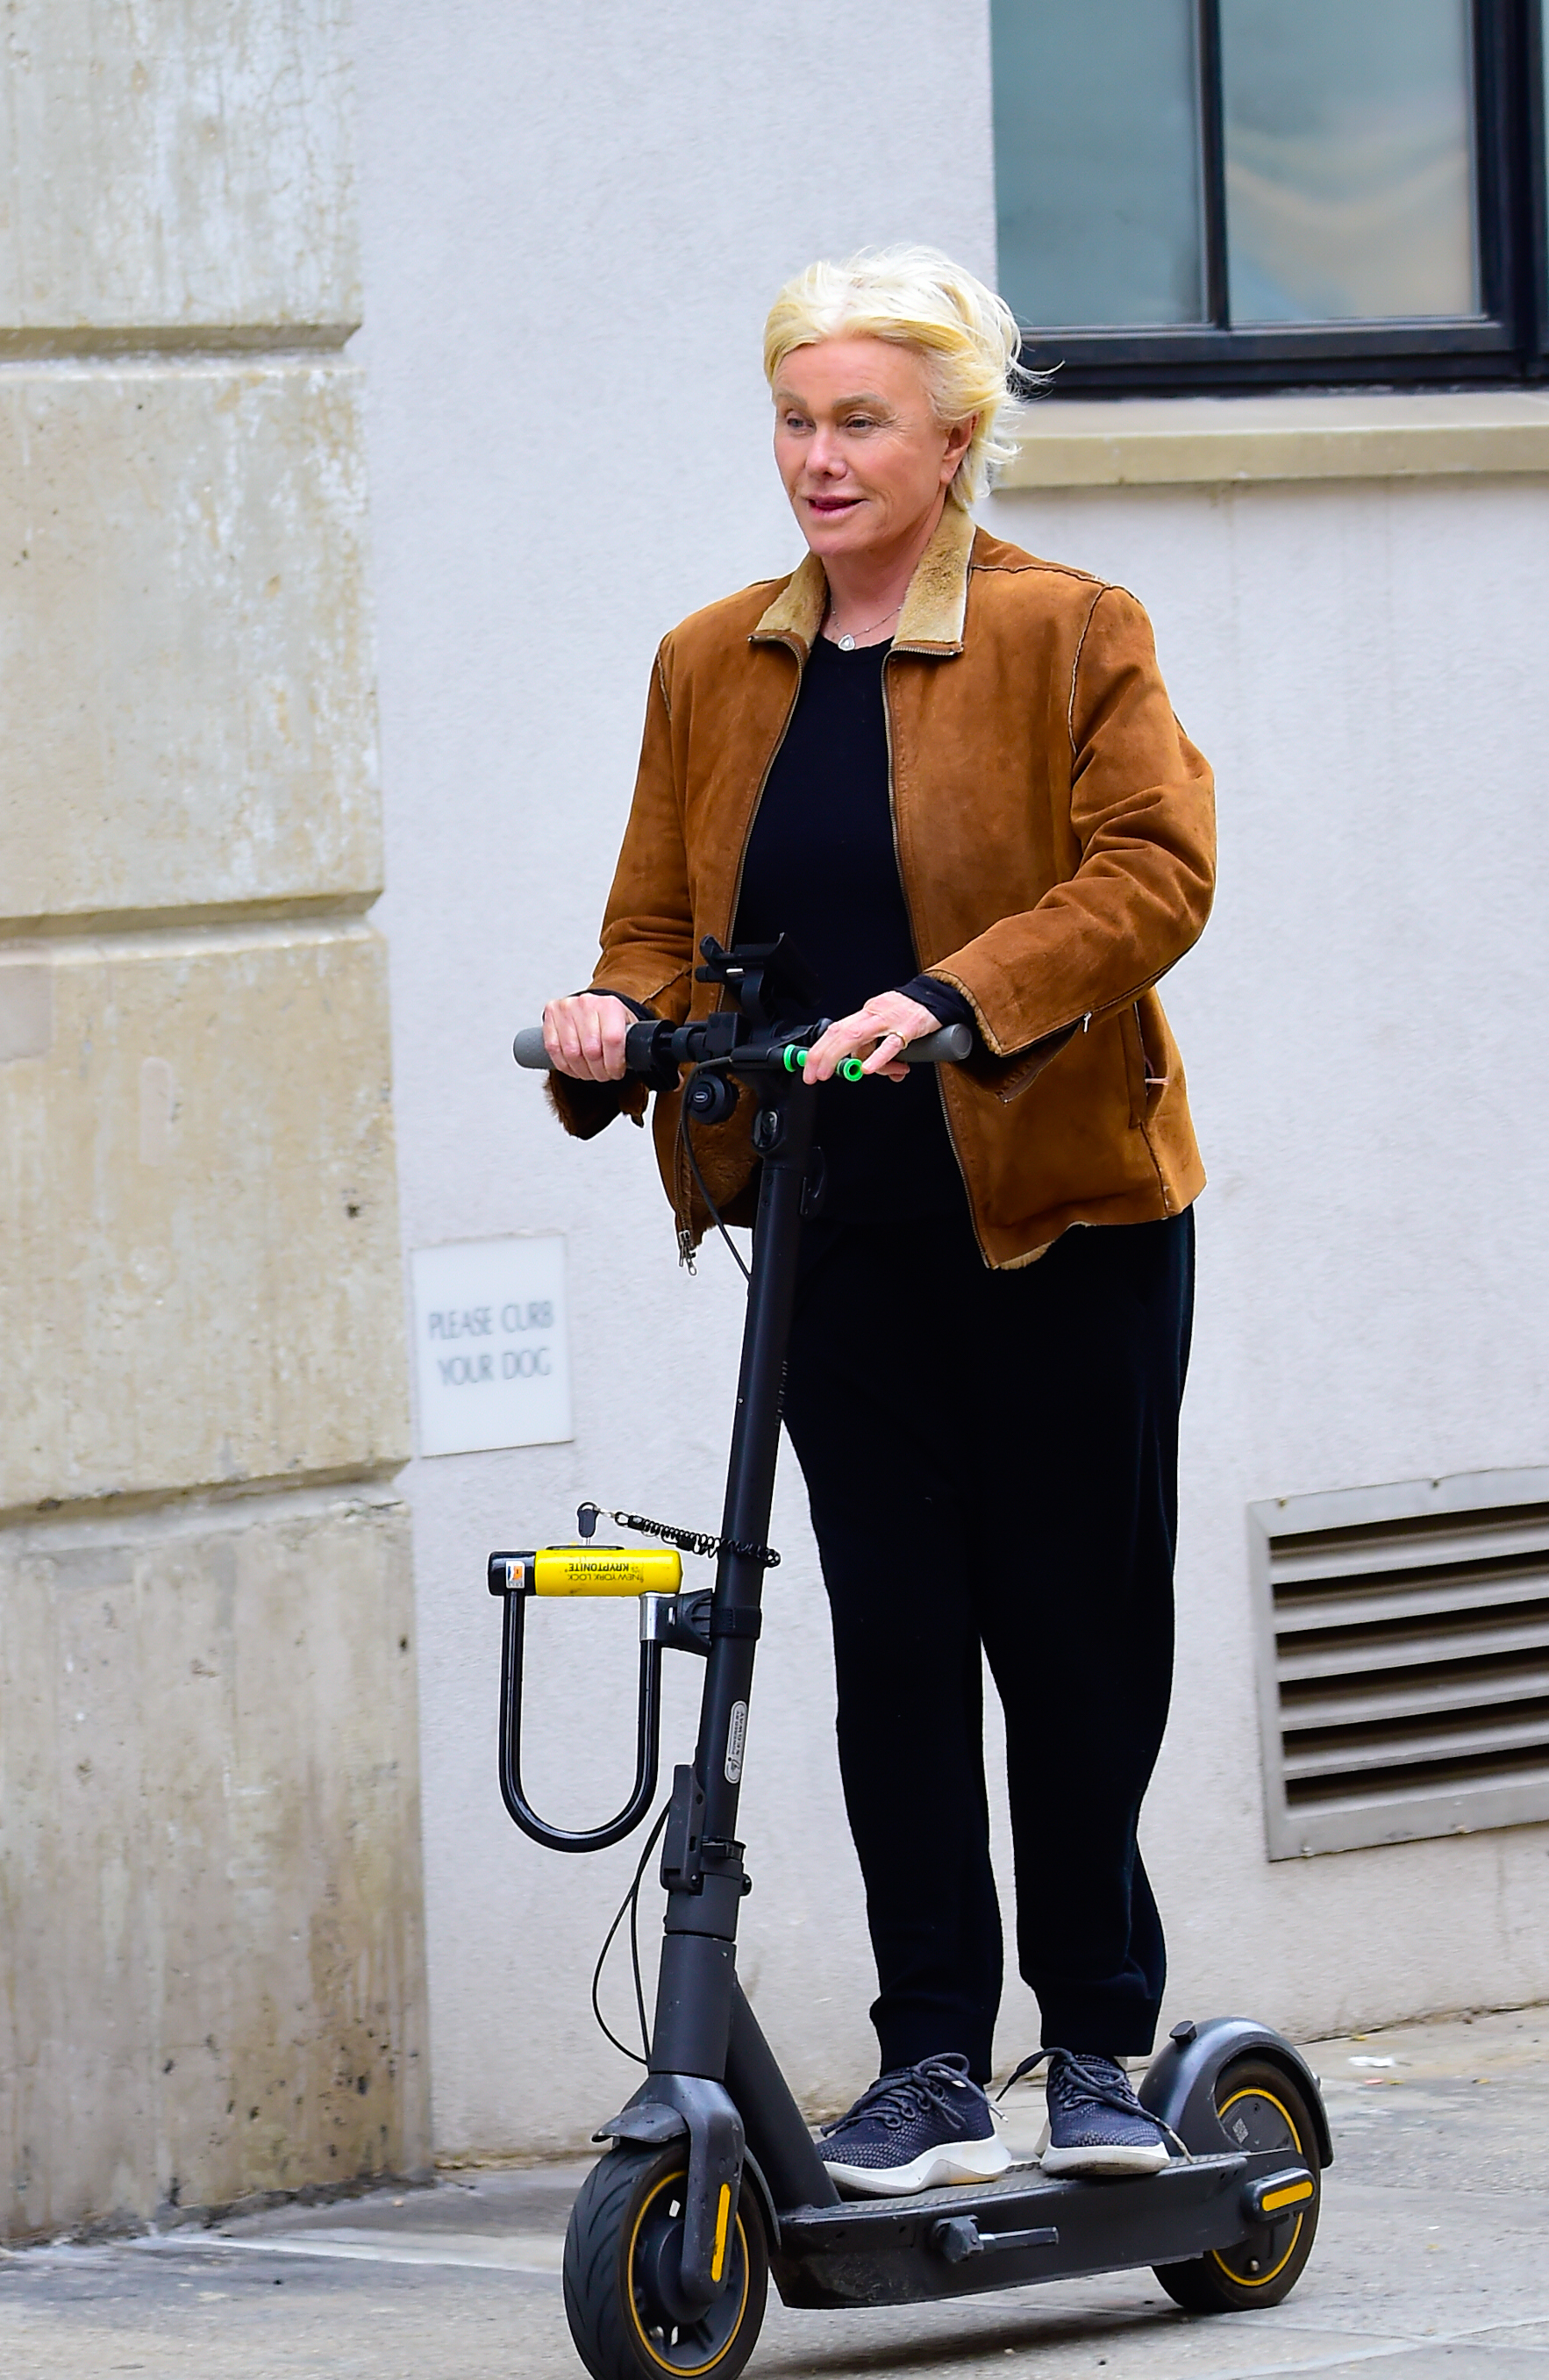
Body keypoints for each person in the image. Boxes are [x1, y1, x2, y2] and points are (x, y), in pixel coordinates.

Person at [541, 247, 1214, 2198]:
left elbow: (1155, 871)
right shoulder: (711, 662)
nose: (817, 459)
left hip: (1062, 1212)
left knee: (1070, 1630)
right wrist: (611, 1028)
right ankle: (931, 2056)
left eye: (859, 422)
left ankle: (1092, 2035)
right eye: (795, 419)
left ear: (954, 440)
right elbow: (661, 929)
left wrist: (955, 994)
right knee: (896, 1637)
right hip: (834, 1222)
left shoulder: (1072, 631)